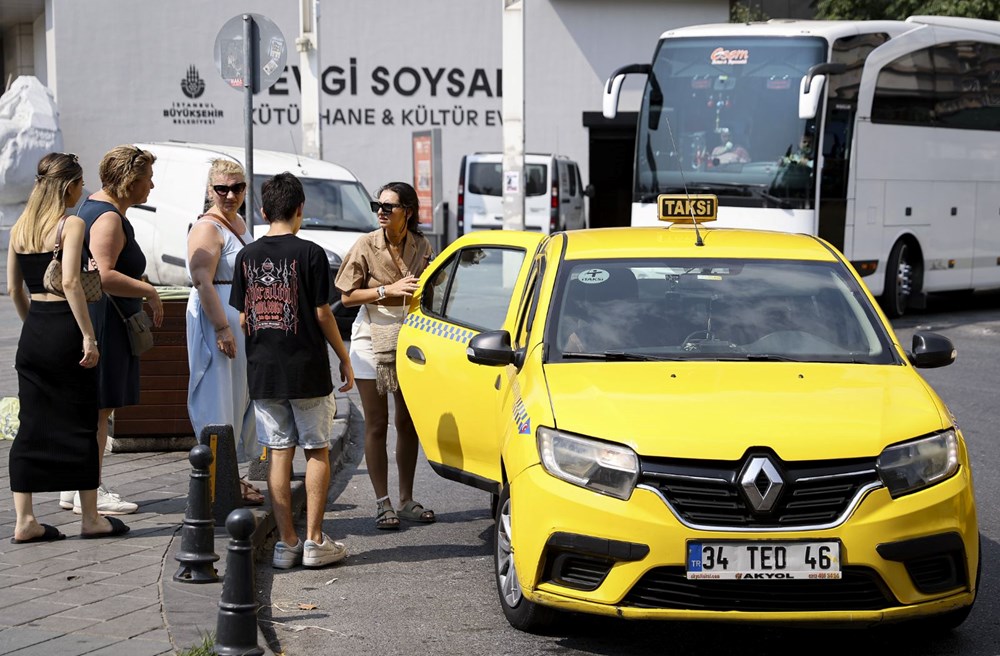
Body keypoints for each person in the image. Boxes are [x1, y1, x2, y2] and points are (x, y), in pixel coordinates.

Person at [230, 172, 355, 569]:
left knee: (279, 453)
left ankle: (286, 544)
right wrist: (343, 356)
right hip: (306, 368)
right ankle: (315, 541)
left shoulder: (246, 257)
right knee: (317, 449)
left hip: (264, 371)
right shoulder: (311, 254)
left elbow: (244, 319)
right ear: (300, 209)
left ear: (263, 211)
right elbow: (322, 313)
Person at [9, 153, 129, 541]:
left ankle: (25, 520)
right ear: (69, 186)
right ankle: (91, 517)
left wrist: (34, 325)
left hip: (34, 333)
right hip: (66, 329)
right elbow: (72, 282)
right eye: (80, 184)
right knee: (81, 420)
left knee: (30, 425)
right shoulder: (71, 224)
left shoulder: (20, 228)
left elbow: (14, 289)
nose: (82, 191)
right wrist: (88, 337)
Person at [59, 145, 164, 516]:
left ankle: (75, 486)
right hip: (105, 321)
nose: (151, 185)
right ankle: (91, 489)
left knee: (92, 408)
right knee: (100, 410)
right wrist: (149, 291)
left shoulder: (92, 207)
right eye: (147, 179)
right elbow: (103, 275)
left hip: (97, 318)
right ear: (130, 182)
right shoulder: (108, 217)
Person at [335, 181, 435, 530]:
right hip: (370, 337)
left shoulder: (422, 245)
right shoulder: (366, 244)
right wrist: (386, 290)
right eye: (378, 205)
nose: (381, 211)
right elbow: (346, 297)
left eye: (388, 206)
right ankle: (382, 502)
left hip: (410, 337)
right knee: (377, 423)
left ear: (407, 211)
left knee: (407, 422)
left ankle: (406, 499)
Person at [186, 158, 263, 506]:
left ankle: (229, 477)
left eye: (237, 188)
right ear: (209, 190)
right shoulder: (207, 228)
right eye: (222, 189)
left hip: (237, 318)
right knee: (217, 399)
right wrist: (221, 328)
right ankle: (218, 483)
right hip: (218, 317)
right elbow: (202, 280)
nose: (230, 195)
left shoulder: (238, 222)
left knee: (237, 399)